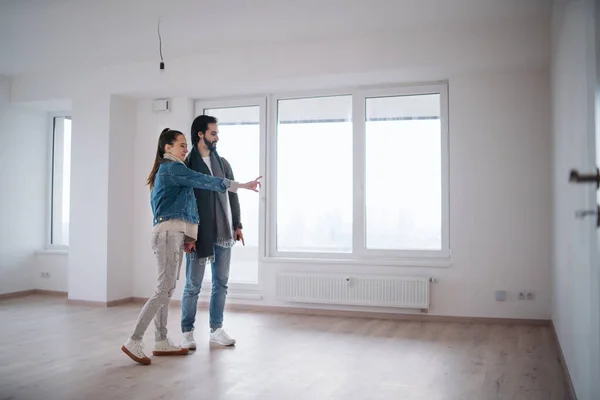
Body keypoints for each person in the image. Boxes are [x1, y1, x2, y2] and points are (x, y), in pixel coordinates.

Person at [121, 128, 261, 365]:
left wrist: (188, 236)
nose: (186, 149)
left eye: (186, 144)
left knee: (166, 290)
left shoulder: (170, 170)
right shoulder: (173, 168)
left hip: (172, 235)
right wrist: (239, 185)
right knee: (162, 290)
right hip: (167, 235)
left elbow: (185, 206)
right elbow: (204, 181)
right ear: (168, 148)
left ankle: (161, 341)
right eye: (181, 145)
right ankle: (134, 340)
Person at [180, 115, 246, 349]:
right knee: (193, 285)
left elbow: (233, 193)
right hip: (198, 234)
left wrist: (237, 225)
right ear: (200, 134)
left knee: (221, 282)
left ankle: (216, 329)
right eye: (213, 133)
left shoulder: (223, 163)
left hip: (223, 232)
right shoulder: (187, 165)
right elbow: (185, 201)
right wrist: (188, 235)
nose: (217, 137)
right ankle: (187, 332)